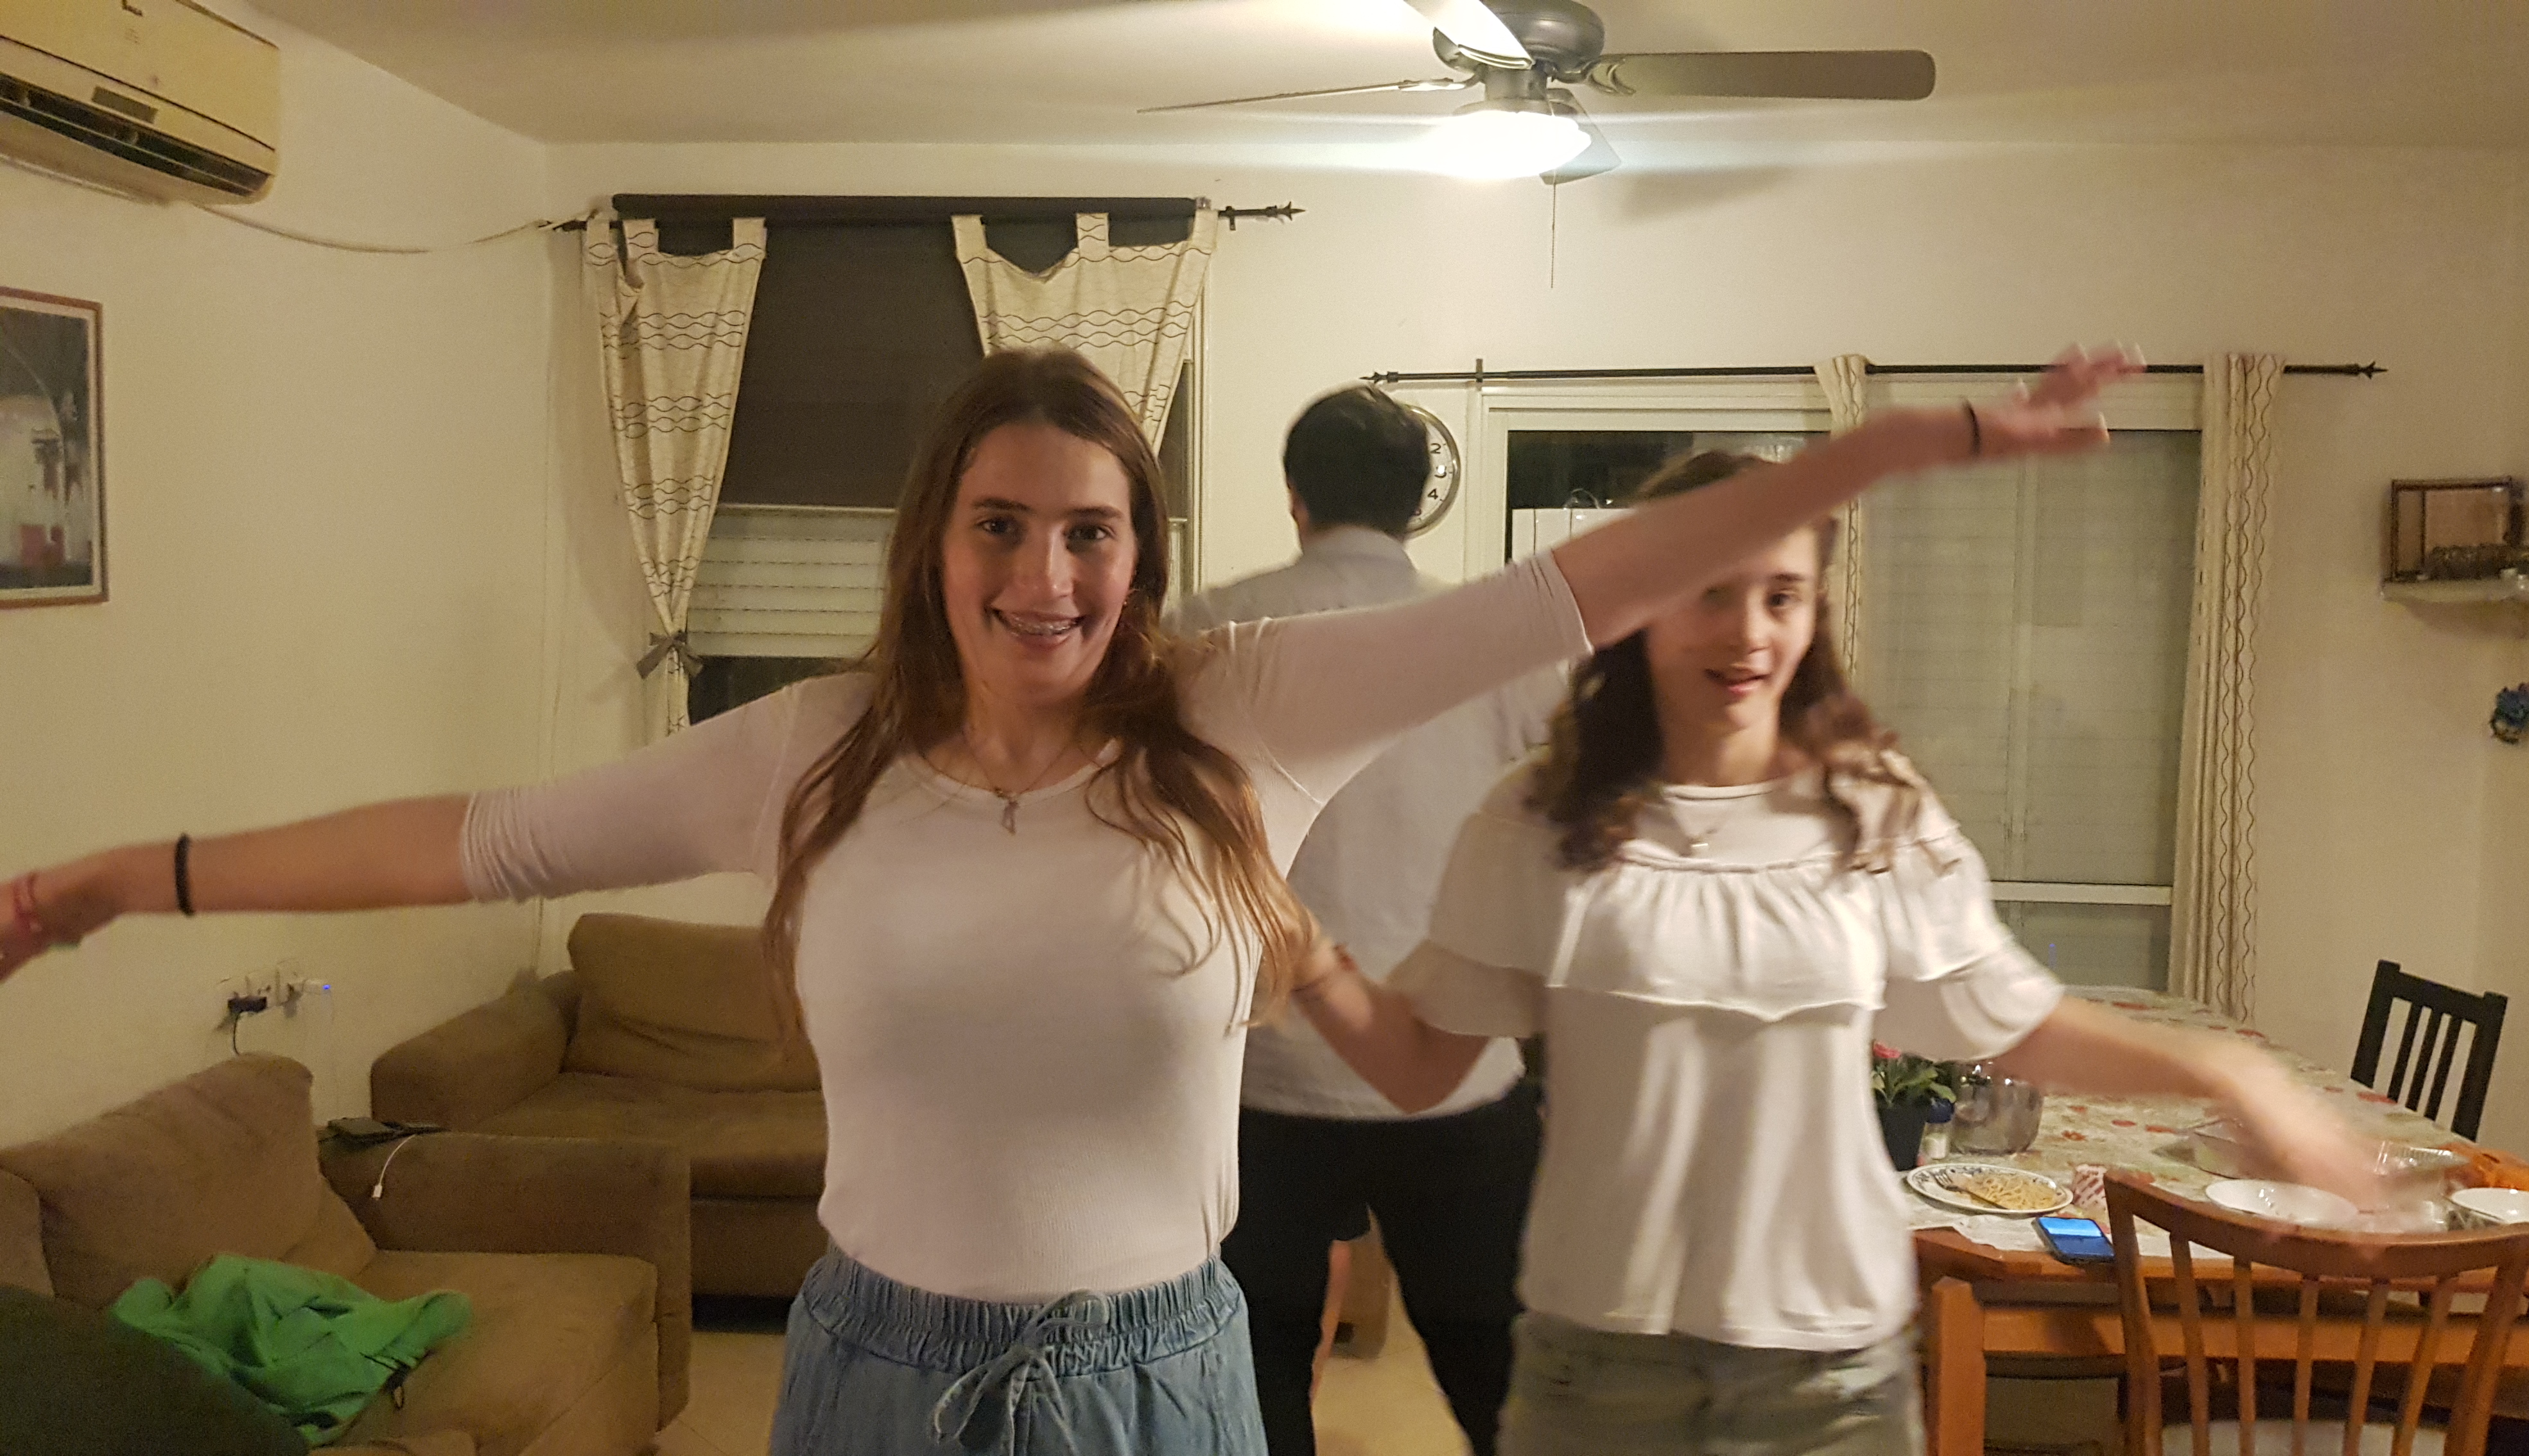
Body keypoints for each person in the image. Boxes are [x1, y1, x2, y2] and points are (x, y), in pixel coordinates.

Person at [0, 345, 2142, 1455]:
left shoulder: (1250, 707)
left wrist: (1907, 445)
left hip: (1154, 1371)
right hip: (870, 1363)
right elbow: (475, 837)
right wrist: (130, 878)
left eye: (1092, 531)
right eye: (1002, 525)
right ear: (936, 538)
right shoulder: (810, 746)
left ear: (1146, 546)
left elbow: (1586, 581)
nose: (1047, 577)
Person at [1282, 447, 2381, 1456]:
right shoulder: (1540, 815)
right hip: (1598, 1365)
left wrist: (2230, 1071)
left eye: (1782, 596)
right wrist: (1301, 952)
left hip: (1830, 1377)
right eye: (1710, 592)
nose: (1748, 635)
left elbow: (2014, 1022)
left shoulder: (1870, 810)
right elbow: (1421, 1064)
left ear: (1816, 610)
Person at [1174, 385, 1561, 1456]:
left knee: (1255, 1371)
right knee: (1504, 1377)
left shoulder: (1204, 632)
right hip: (1457, 1068)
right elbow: (1585, 790)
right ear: (1416, 501)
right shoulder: (1491, 637)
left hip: (1264, 1073)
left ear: (1294, 496)